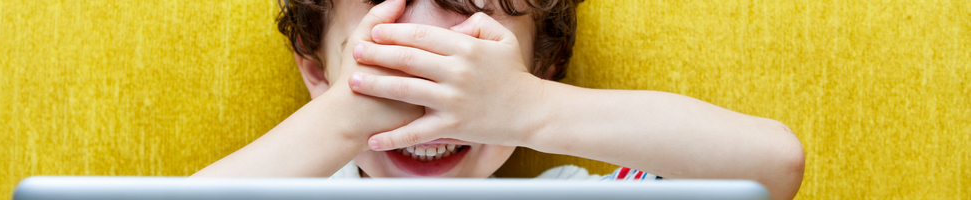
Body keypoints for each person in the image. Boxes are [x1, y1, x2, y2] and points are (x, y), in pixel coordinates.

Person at [192, 0, 805, 199]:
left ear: (542, 69)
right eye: (386, 74)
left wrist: (532, 110)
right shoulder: (288, 187)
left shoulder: (570, 191)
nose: (427, 112)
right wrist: (339, 121)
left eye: (468, 80)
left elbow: (772, 166)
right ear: (316, 73)